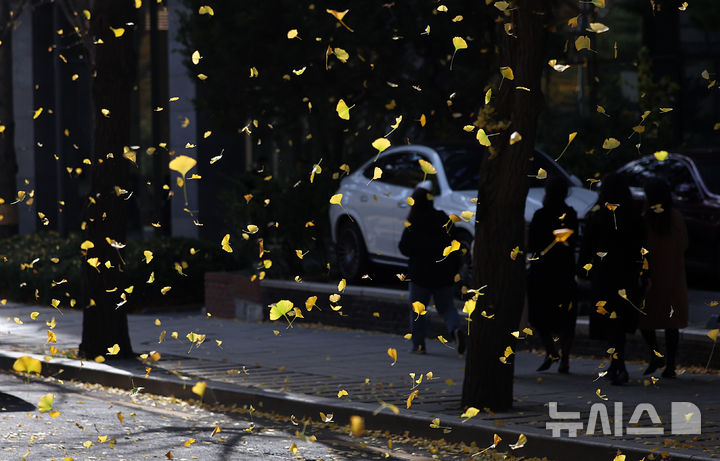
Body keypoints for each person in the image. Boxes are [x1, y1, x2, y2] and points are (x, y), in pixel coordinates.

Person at [579, 173, 645, 385]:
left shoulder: (598, 216)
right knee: (621, 318)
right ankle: (618, 363)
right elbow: (642, 247)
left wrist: (582, 269)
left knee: (610, 320)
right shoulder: (634, 215)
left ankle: (617, 364)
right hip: (627, 273)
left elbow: (587, 246)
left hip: (605, 273)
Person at [399, 184, 464, 355]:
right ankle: (455, 329)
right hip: (444, 272)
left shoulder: (413, 222)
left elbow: (404, 247)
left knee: (418, 311)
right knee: (447, 307)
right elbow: (455, 242)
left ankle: (418, 345)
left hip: (420, 274)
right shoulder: (443, 218)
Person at [527, 177, 578, 373]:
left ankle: (550, 350)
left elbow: (532, 245)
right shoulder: (571, 214)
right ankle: (565, 358)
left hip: (542, 271)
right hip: (564, 270)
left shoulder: (540, 215)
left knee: (539, 315)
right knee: (566, 317)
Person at [639, 177, 688, 378]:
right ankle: (670, 365)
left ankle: (654, 354)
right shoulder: (676, 218)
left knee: (645, 320)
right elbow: (684, 244)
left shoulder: (646, 220)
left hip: (652, 278)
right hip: (674, 277)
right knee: (671, 323)